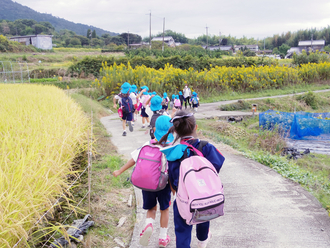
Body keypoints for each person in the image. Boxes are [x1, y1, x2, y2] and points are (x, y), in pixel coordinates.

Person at [158, 110, 225, 248]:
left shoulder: (173, 151)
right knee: (204, 216)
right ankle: (202, 241)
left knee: (182, 231)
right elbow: (216, 166)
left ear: (175, 130)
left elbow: (173, 178)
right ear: (196, 127)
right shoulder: (206, 147)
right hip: (204, 196)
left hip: (183, 199)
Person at [113, 115, 174, 247]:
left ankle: (148, 225)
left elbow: (133, 160)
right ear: (171, 131)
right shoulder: (170, 147)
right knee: (165, 209)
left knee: (151, 208)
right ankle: (163, 238)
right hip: (163, 185)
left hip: (147, 184)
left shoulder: (147, 145)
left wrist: (119, 171)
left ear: (154, 129)